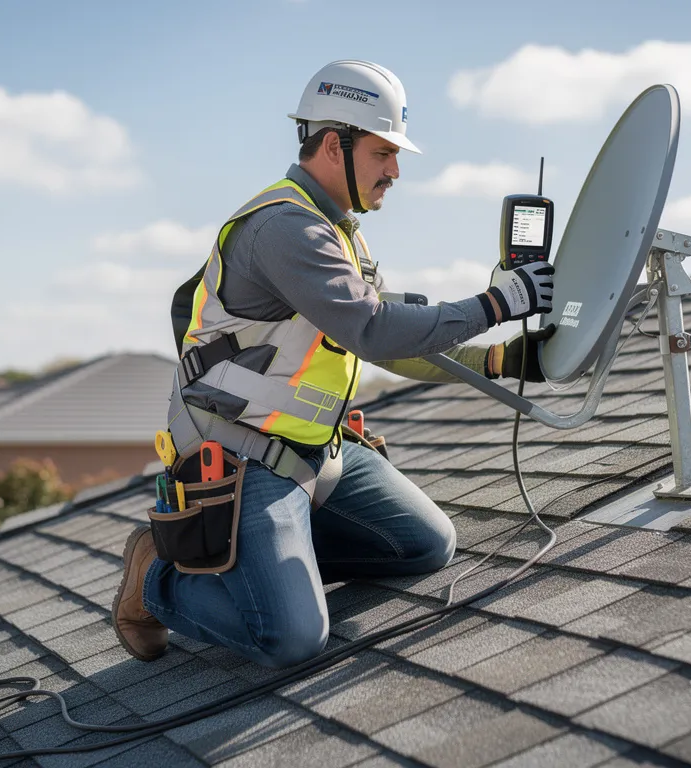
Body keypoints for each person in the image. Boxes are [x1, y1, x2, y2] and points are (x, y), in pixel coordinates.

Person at [111, 60, 554, 668]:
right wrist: (498, 303)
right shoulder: (285, 228)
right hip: (245, 459)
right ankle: (155, 578)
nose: (395, 171)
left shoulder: (340, 232)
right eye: (382, 153)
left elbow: (392, 339)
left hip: (317, 453)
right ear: (330, 145)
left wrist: (499, 358)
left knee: (427, 545)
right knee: (291, 639)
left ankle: (272, 558)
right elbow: (373, 331)